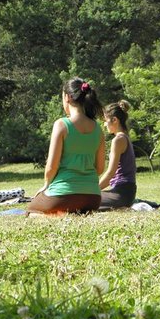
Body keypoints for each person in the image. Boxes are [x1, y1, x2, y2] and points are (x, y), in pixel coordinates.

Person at [27, 77, 105, 215]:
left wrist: (46, 185)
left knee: (31, 210)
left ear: (67, 97)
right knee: (73, 209)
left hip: (62, 195)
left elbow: (52, 166)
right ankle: (73, 214)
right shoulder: (98, 129)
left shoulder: (62, 125)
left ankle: (62, 215)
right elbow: (99, 168)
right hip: (93, 198)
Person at [98, 100, 137, 209]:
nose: (104, 124)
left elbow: (110, 172)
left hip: (122, 193)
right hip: (125, 191)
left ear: (114, 120)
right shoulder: (125, 137)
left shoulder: (118, 140)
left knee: (84, 200)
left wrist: (94, 190)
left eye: (106, 120)